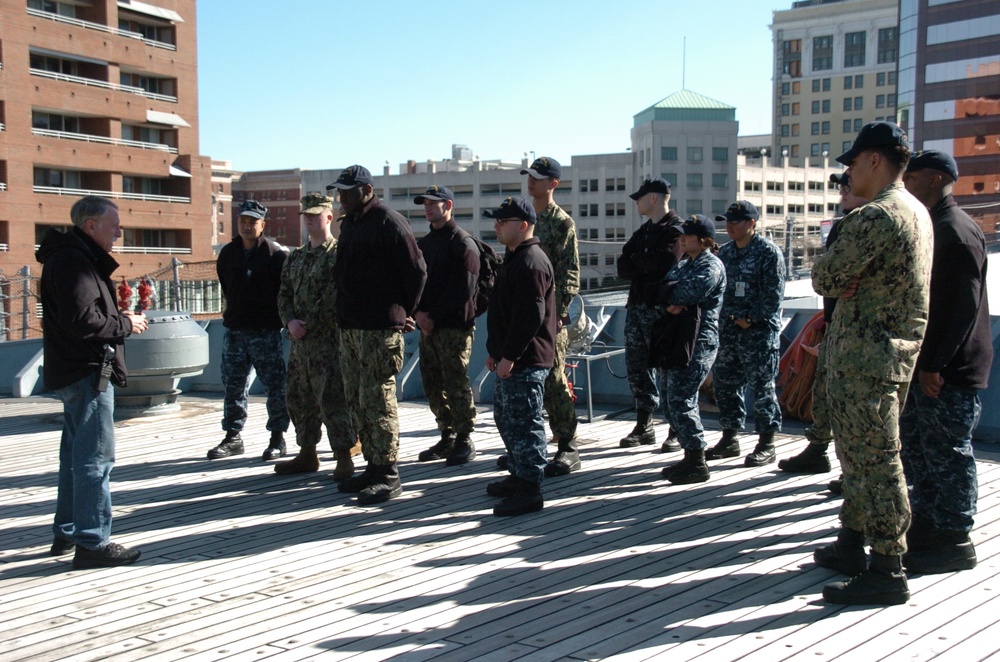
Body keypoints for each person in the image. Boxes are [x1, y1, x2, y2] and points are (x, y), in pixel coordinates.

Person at [811, 121, 932, 606]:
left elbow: (824, 276)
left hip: (866, 360)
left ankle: (887, 566)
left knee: (875, 463)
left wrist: (840, 275)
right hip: (884, 356)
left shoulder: (875, 217)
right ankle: (851, 542)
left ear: (874, 161)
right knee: (861, 458)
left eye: (853, 163)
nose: (849, 173)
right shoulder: (916, 210)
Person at [37, 196, 149, 568]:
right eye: (113, 226)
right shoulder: (74, 262)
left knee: (73, 456)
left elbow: (80, 313)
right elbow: (84, 320)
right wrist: (125, 324)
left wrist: (117, 316)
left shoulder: (68, 256)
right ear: (90, 227)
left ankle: (67, 532)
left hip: (73, 370)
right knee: (94, 458)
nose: (119, 232)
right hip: (87, 372)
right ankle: (92, 542)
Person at [899, 150, 991, 574]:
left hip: (949, 371)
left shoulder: (955, 232)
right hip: (926, 366)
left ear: (935, 179)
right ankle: (928, 525)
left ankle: (954, 538)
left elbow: (961, 307)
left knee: (949, 453)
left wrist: (935, 364)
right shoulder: (932, 226)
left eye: (912, 176)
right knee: (921, 449)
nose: (906, 183)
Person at [328, 165, 427, 505]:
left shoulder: (389, 222)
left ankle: (388, 473)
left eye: (347, 191)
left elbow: (416, 271)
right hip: (351, 327)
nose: (341, 197)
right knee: (358, 400)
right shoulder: (351, 225)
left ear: (367, 190)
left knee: (379, 400)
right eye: (339, 192)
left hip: (379, 329)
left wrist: (402, 312)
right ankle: (372, 465)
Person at [779, 174, 868, 477]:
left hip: (860, 333)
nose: (843, 192)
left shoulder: (869, 225)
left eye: (848, 186)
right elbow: (828, 279)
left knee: (855, 407)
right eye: (841, 188)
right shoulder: (844, 225)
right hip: (835, 325)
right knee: (827, 392)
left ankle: (853, 474)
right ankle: (818, 449)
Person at [273, 194, 358, 480]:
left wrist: (309, 322)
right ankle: (307, 452)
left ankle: (344, 455)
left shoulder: (338, 255)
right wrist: (290, 321)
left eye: (315, 215)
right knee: (299, 398)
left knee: (333, 399)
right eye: (306, 215)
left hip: (328, 343)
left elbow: (336, 294)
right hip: (300, 345)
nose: (309, 220)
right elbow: (284, 294)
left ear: (329, 217)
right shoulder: (295, 258)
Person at [483, 197, 557, 516]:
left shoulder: (532, 261)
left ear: (522, 226)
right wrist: (495, 352)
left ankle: (530, 488)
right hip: (510, 357)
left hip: (526, 360)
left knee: (525, 422)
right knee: (506, 417)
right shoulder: (515, 258)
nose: (496, 226)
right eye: (496, 221)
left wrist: (509, 356)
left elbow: (530, 315)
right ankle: (518, 473)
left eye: (503, 221)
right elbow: (504, 312)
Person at [706, 201, 786, 466]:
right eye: (726, 220)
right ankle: (730, 438)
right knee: (725, 386)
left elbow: (773, 295)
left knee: (762, 388)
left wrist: (750, 318)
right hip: (728, 332)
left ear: (751, 223)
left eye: (736, 221)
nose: (729, 226)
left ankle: (767, 442)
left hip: (758, 334)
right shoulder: (724, 254)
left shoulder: (768, 253)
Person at [209, 199, 290, 461]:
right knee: (233, 384)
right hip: (234, 330)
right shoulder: (228, 253)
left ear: (262, 225)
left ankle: (277, 437)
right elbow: (226, 287)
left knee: (275, 386)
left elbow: (284, 293)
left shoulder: (276, 256)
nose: (246, 226)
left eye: (252, 222)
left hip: (265, 332)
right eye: (243, 221)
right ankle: (233, 436)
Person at [519, 157, 582, 477]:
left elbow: (570, 273)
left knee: (555, 380)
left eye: (538, 177)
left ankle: (568, 445)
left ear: (553, 184)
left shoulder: (562, 223)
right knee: (526, 382)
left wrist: (558, 313)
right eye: (529, 176)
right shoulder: (525, 219)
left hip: (550, 317)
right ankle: (529, 446)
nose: (531, 182)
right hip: (525, 315)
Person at [410, 185, 481, 466]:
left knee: (455, 382)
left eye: (433, 203)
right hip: (428, 327)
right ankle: (447, 434)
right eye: (424, 203)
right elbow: (415, 284)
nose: (427, 207)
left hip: (454, 327)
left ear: (448, 205)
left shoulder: (462, 243)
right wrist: (418, 314)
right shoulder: (425, 245)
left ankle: (464, 437)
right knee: (432, 382)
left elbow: (463, 290)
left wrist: (431, 317)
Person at [656, 215, 726, 484]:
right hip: (677, 337)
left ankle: (697, 460)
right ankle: (689, 455)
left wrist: (671, 297)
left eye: (687, 235)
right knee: (670, 398)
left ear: (704, 239)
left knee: (682, 398)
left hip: (699, 341)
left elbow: (686, 293)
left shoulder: (711, 265)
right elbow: (662, 290)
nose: (681, 239)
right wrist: (668, 299)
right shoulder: (685, 263)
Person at [617, 177, 685, 453]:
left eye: (640, 197)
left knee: (668, 369)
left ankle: (676, 428)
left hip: (663, 310)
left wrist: (640, 262)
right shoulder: (644, 232)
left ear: (654, 198)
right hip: (638, 307)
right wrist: (643, 262)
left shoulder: (676, 230)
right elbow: (622, 265)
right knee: (637, 367)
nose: (636, 202)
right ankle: (644, 425)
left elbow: (666, 263)